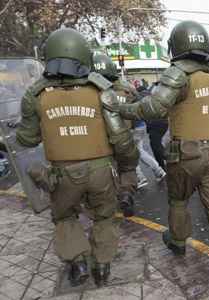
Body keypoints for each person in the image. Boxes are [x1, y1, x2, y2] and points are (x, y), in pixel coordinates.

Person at [118, 21, 209, 299]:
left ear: (177, 45)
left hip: (186, 154)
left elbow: (154, 108)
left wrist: (121, 108)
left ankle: (178, 241)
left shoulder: (178, 72)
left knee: (178, 201)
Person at [16, 28, 139, 286]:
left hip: (62, 174)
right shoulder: (101, 91)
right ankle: (103, 265)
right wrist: (129, 166)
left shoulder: (35, 95)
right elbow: (120, 137)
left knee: (64, 217)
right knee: (104, 216)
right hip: (101, 172)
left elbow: (26, 140)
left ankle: (78, 261)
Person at [92, 52, 140, 217]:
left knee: (108, 170)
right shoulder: (126, 88)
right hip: (125, 135)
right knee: (127, 167)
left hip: (102, 138)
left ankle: (110, 201)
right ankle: (127, 193)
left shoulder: (91, 91)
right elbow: (137, 104)